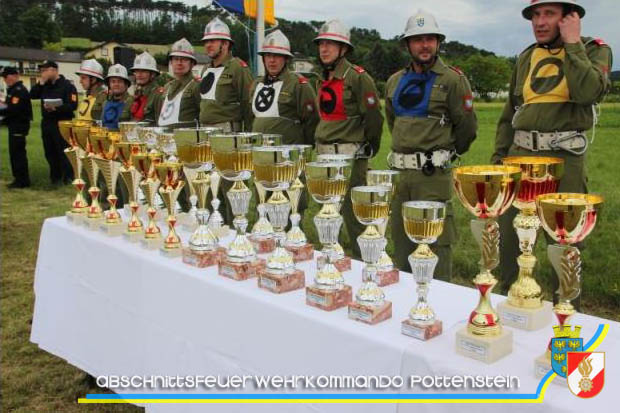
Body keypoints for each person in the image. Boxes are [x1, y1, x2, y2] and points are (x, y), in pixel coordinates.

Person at [491, 0, 612, 304]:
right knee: (509, 241)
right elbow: (511, 113)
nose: (540, 22)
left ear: (569, 17)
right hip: (519, 159)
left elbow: (588, 91)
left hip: (564, 162)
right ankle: (510, 306)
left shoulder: (594, 49)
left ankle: (568, 318)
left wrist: (572, 44)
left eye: (549, 14)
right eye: (535, 15)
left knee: (564, 243)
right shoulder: (527, 57)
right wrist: (499, 160)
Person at [386, 10, 477, 280]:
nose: (424, 45)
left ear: (438, 43)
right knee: (402, 243)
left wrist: (439, 155)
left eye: (430, 39)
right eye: (417, 39)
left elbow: (467, 129)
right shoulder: (393, 81)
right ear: (407, 45)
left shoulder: (453, 80)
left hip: (433, 177)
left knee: (435, 246)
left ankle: (439, 305)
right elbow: (393, 123)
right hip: (401, 178)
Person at [313, 19, 384, 259]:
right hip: (324, 156)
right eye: (321, 43)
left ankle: (363, 263)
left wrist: (368, 149)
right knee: (327, 213)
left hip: (350, 156)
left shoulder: (357, 77)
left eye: (331, 44)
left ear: (343, 49)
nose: (324, 49)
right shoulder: (320, 77)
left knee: (354, 217)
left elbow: (374, 117)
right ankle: (332, 260)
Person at [249, 29, 319, 230]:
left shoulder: (299, 85)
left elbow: (311, 120)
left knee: (290, 205)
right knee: (264, 201)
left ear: (285, 59)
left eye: (277, 56)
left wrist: (300, 151)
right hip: (262, 158)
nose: (272, 61)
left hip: (288, 158)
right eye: (268, 56)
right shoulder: (255, 85)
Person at [199, 17, 254, 132]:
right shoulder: (205, 69)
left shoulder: (238, 68)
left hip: (227, 130)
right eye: (206, 41)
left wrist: (250, 136)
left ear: (225, 43)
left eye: (213, 41)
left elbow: (248, 104)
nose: (208, 45)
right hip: (204, 128)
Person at [29, 60, 78, 185]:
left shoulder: (67, 86)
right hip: (47, 123)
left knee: (64, 151)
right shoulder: (44, 85)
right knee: (49, 151)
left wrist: (56, 108)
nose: (43, 73)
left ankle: (68, 177)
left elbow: (73, 105)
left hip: (62, 122)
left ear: (54, 70)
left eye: (45, 70)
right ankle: (55, 177)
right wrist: (41, 83)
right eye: (42, 71)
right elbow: (32, 95)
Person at [146, 38, 201, 128]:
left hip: (187, 138)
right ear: (171, 62)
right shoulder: (167, 87)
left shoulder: (196, 85)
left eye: (184, 59)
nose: (179, 63)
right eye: (176, 59)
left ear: (192, 64)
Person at [0, 67, 32, 188]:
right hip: (13, 125)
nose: (5, 79)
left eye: (6, 76)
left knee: (18, 153)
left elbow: (13, 109)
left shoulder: (19, 90)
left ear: (14, 76)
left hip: (19, 126)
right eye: (3, 77)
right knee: (14, 153)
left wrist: (2, 110)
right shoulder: (13, 90)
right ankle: (18, 178)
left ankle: (22, 180)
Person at [123, 52, 163, 122]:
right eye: (137, 71)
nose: (139, 74)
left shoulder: (158, 95)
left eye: (143, 71)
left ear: (152, 74)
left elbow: (160, 123)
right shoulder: (136, 94)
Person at [101, 64, 132, 130]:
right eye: (113, 81)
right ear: (109, 85)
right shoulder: (105, 103)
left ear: (126, 85)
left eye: (119, 81)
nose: (116, 84)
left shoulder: (132, 103)